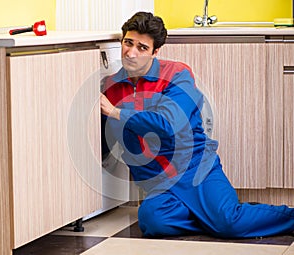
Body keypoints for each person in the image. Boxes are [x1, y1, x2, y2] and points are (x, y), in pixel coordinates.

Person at [100, 11, 294, 238]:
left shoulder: (177, 75)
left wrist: (116, 112)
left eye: (142, 48)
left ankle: (253, 216)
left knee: (230, 223)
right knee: (152, 221)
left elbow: (167, 125)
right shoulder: (110, 87)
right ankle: (216, 215)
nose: (131, 53)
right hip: (158, 180)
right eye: (128, 43)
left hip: (195, 167)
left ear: (155, 52)